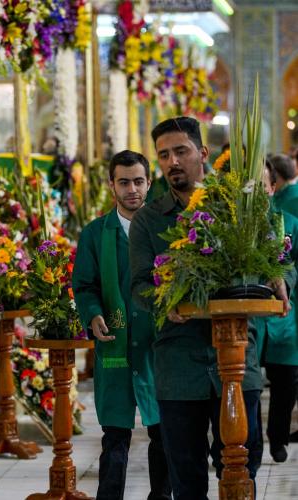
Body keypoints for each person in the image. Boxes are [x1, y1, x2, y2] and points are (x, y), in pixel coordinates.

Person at [128, 116, 289, 500]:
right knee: (185, 472)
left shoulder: (240, 207)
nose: (172, 162)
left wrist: (279, 280)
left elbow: (279, 259)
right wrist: (166, 303)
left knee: (243, 465)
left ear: (202, 153)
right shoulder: (149, 221)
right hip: (178, 361)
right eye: (164, 155)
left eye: (180, 151)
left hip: (235, 357)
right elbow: (138, 285)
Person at [73, 150, 171, 500]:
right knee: (115, 436)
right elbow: (84, 285)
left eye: (139, 181)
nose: (133, 189)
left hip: (157, 347)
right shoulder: (96, 233)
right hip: (114, 344)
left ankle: (160, 495)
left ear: (149, 182)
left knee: (163, 433)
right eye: (124, 182)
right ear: (111, 185)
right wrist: (92, 314)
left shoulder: (165, 229)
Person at [255, 160, 298, 463]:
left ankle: (278, 436)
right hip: (248, 318)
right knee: (248, 384)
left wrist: (285, 280)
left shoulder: (290, 223)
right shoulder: (229, 226)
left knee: (286, 381)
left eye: (262, 185)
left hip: (285, 316)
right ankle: (250, 440)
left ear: (272, 187)